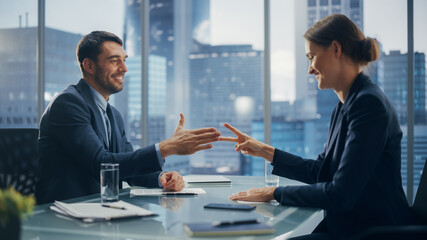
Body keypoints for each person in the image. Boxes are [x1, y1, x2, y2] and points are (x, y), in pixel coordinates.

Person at [219, 14, 413, 239]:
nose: (310, 69)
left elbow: (341, 193)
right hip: (349, 225)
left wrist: (274, 192)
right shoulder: (345, 105)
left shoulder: (368, 104)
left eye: (311, 57)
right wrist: (265, 151)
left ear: (335, 49)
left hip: (369, 232)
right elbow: (322, 173)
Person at [36, 31, 221, 204]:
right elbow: (102, 165)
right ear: (89, 65)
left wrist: (160, 178)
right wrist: (166, 148)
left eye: (124, 60)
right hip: (64, 216)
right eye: (114, 61)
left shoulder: (113, 115)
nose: (124, 68)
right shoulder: (68, 104)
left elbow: (127, 170)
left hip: (101, 212)